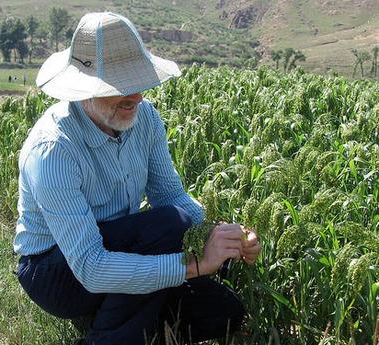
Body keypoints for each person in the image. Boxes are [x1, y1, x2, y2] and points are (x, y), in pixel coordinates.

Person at [14, 12, 261, 345]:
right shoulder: (53, 150)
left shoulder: (144, 119)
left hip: (120, 249)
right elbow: (90, 266)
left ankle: (123, 320)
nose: (136, 97)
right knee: (168, 226)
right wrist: (193, 265)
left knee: (223, 311)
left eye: (137, 83)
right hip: (58, 270)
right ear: (85, 89)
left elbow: (171, 195)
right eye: (117, 87)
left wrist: (221, 235)